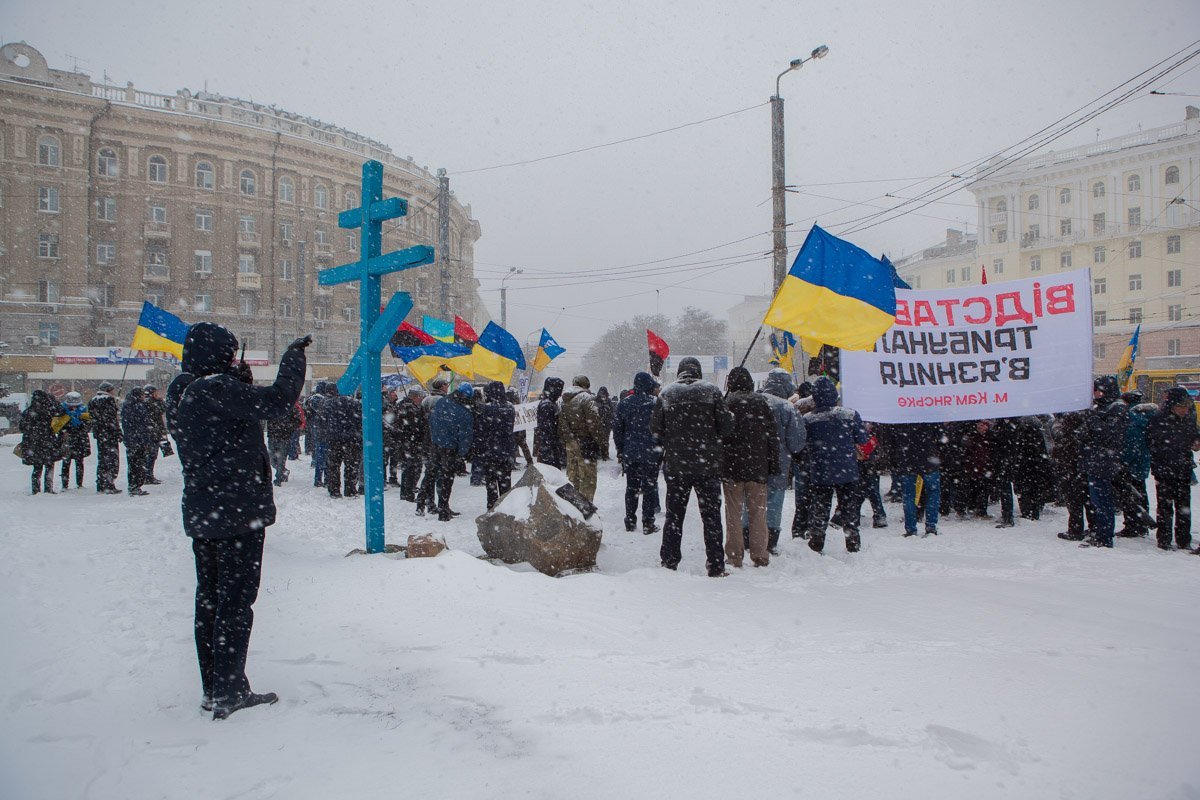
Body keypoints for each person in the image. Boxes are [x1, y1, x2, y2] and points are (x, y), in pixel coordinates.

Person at [166, 322, 309, 720]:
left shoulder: (183, 390)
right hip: (236, 511)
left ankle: (214, 687)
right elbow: (279, 400)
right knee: (235, 602)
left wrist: (234, 381)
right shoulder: (214, 390)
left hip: (206, 510)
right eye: (229, 355)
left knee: (209, 600)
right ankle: (230, 691)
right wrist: (293, 358)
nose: (233, 361)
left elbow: (223, 425)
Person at [651, 357, 733, 577]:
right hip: (707, 466)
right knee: (711, 517)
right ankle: (716, 564)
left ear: (679, 372)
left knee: (674, 516)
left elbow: (656, 428)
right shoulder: (712, 391)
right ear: (698, 371)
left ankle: (669, 560)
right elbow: (726, 428)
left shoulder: (666, 394)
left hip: (677, 466)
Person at [802, 377, 869, 554]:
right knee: (849, 509)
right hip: (847, 470)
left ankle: (817, 542)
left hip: (820, 470)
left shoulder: (808, 419)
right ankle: (853, 541)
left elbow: (803, 444)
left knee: (820, 508)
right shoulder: (850, 414)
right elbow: (862, 438)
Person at [721, 367, 779, 568]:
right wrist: (773, 465)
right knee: (757, 512)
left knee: (733, 514)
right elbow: (772, 436)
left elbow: (721, 435)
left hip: (732, 467)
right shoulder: (761, 402)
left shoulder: (727, 403)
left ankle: (735, 555)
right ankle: (760, 554)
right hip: (757, 467)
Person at [1078, 375, 1130, 548]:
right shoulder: (1100, 408)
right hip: (1094, 461)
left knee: (1103, 501)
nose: (1096, 394)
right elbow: (1084, 434)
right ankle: (1100, 532)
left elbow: (1108, 434)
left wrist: (1091, 419)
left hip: (1104, 462)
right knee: (1097, 501)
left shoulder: (1117, 408)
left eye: (1099, 391)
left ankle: (1104, 537)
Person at [1145, 386, 1199, 551]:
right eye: (1181, 407)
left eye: (1186, 407)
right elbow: (1151, 442)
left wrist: (1196, 441)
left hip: (1183, 468)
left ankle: (1184, 540)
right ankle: (1164, 539)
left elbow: (1195, 435)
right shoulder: (1158, 420)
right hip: (1165, 469)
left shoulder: (1189, 418)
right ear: (1172, 406)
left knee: (1184, 507)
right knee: (1165, 507)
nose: (1184, 410)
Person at [760, 369, 805, 554]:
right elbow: (796, 443)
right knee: (774, 502)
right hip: (778, 464)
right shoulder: (787, 408)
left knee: (752, 502)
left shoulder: (754, 401)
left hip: (751, 463)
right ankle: (770, 541)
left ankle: (748, 536)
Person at [613, 371, 662, 535]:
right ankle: (648, 522)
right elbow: (662, 429)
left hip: (631, 453)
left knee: (631, 488)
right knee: (649, 488)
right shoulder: (655, 403)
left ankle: (630, 520)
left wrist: (620, 450)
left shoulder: (624, 403)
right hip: (651, 453)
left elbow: (618, 430)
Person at [885, 422, 943, 537]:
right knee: (933, 493)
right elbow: (940, 436)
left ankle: (911, 528)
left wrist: (894, 460)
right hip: (929, 459)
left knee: (909, 495)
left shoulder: (898, 419)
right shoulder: (930, 416)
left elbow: (890, 441)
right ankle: (931, 526)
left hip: (907, 459)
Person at [428, 383, 475, 521]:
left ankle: (427, 504)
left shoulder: (442, 402)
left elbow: (432, 421)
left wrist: (435, 439)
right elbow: (465, 435)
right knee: (447, 479)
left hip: (436, 445)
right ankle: (443, 509)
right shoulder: (464, 412)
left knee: (432, 475)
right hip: (451, 449)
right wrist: (462, 453)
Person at [559, 376, 608, 501]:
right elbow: (594, 424)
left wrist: (570, 439)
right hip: (587, 443)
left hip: (571, 443)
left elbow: (562, 425)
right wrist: (603, 444)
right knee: (588, 479)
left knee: (573, 476)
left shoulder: (564, 400)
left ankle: (573, 507)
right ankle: (586, 509)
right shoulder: (587, 399)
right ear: (586, 385)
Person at [1116, 393, 1157, 538]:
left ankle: (1133, 525)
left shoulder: (1131, 418)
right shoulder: (1146, 416)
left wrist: (1123, 462)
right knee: (1140, 492)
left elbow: (1130, 444)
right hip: (1142, 462)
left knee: (1130, 495)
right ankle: (1142, 524)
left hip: (1131, 464)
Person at [475, 381, 516, 510]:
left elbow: (481, 430)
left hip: (490, 451)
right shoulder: (510, 408)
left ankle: (492, 508)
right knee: (505, 483)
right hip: (506, 450)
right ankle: (505, 508)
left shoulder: (486, 409)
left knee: (491, 483)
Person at [319, 387, 362, 498]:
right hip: (352, 439)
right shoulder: (355, 403)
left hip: (334, 439)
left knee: (334, 465)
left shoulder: (327, 404)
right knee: (351, 465)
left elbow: (322, 422)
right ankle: (350, 489)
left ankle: (334, 490)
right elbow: (360, 421)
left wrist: (326, 434)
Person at [416, 378, 450, 516]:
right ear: (442, 387)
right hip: (439, 443)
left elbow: (420, 422)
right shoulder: (445, 401)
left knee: (429, 475)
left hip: (427, 442)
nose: (447, 387)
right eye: (446, 385)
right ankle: (442, 504)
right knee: (441, 476)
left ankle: (426, 503)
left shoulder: (425, 401)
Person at [19, 389, 62, 495]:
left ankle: (35, 489)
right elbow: (60, 416)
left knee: (37, 467)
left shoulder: (28, 411)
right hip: (47, 441)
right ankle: (48, 487)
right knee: (49, 465)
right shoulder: (49, 410)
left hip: (33, 443)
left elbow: (22, 427)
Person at [88, 381, 122, 494]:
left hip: (100, 434)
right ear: (108, 390)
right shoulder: (109, 400)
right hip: (110, 434)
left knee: (102, 459)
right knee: (112, 460)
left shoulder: (93, 400)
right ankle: (109, 483)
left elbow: (93, 417)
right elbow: (111, 419)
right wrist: (118, 431)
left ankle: (101, 483)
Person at [120, 386, 154, 496]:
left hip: (132, 439)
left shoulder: (128, 405)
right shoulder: (137, 406)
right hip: (138, 439)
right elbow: (142, 423)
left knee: (133, 463)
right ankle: (135, 485)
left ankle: (134, 485)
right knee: (138, 463)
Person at [395, 386, 427, 502]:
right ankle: (408, 493)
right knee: (412, 469)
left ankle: (407, 491)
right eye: (420, 396)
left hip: (408, 442)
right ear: (415, 396)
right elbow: (413, 427)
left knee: (410, 468)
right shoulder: (409, 409)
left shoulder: (404, 406)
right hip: (410, 443)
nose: (421, 399)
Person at [59, 391, 92, 491]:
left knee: (79, 462)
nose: (73, 407)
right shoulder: (61, 411)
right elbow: (57, 426)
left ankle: (79, 483)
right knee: (66, 462)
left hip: (79, 440)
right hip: (67, 440)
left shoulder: (83, 411)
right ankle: (65, 484)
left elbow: (88, 425)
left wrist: (80, 426)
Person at [266, 400, 303, 486]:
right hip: (272, 436)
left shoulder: (291, 407)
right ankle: (283, 472)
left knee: (281, 459)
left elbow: (298, 421)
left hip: (284, 437)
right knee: (272, 459)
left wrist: (288, 428)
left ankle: (278, 478)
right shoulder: (272, 406)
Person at [533, 377, 566, 470]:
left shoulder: (550, 403)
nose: (560, 394)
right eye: (559, 389)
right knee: (551, 475)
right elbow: (548, 429)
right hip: (549, 447)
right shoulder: (547, 405)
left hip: (550, 446)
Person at [143, 385, 167, 484]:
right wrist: (160, 402)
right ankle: (148, 475)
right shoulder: (150, 403)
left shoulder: (148, 402)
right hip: (152, 432)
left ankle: (147, 474)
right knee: (151, 455)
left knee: (151, 455)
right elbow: (161, 410)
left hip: (153, 431)